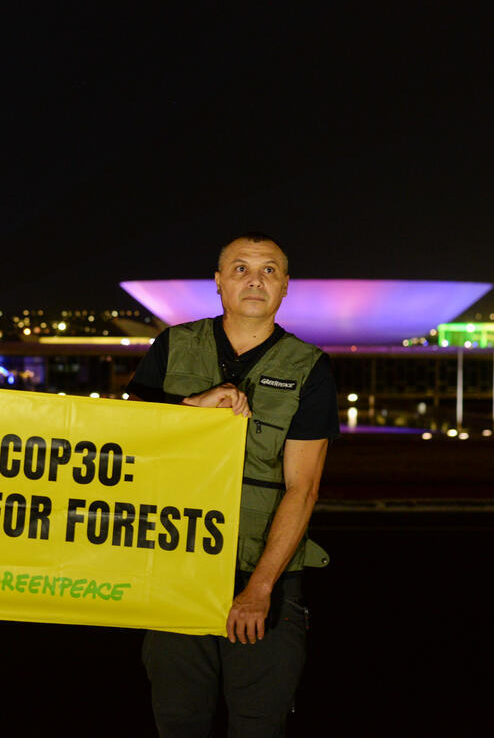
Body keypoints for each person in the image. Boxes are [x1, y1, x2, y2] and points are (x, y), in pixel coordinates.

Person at [126, 232, 339, 738]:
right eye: (240, 268)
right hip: (175, 571)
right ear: (218, 282)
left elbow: (302, 488)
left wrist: (259, 589)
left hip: (261, 582)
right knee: (178, 722)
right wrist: (192, 407)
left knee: (258, 725)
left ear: (286, 286)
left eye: (269, 270)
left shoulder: (308, 367)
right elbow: (125, 436)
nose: (255, 279)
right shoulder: (174, 345)